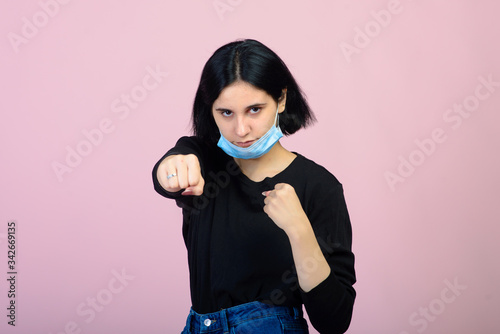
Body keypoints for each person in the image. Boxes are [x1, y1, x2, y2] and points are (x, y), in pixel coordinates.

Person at [152, 39, 356, 334]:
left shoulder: (319, 186)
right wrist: (171, 171)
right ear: (210, 110)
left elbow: (334, 321)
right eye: (226, 113)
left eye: (254, 110)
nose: (241, 130)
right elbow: (169, 175)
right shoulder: (203, 162)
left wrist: (299, 230)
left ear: (281, 99)